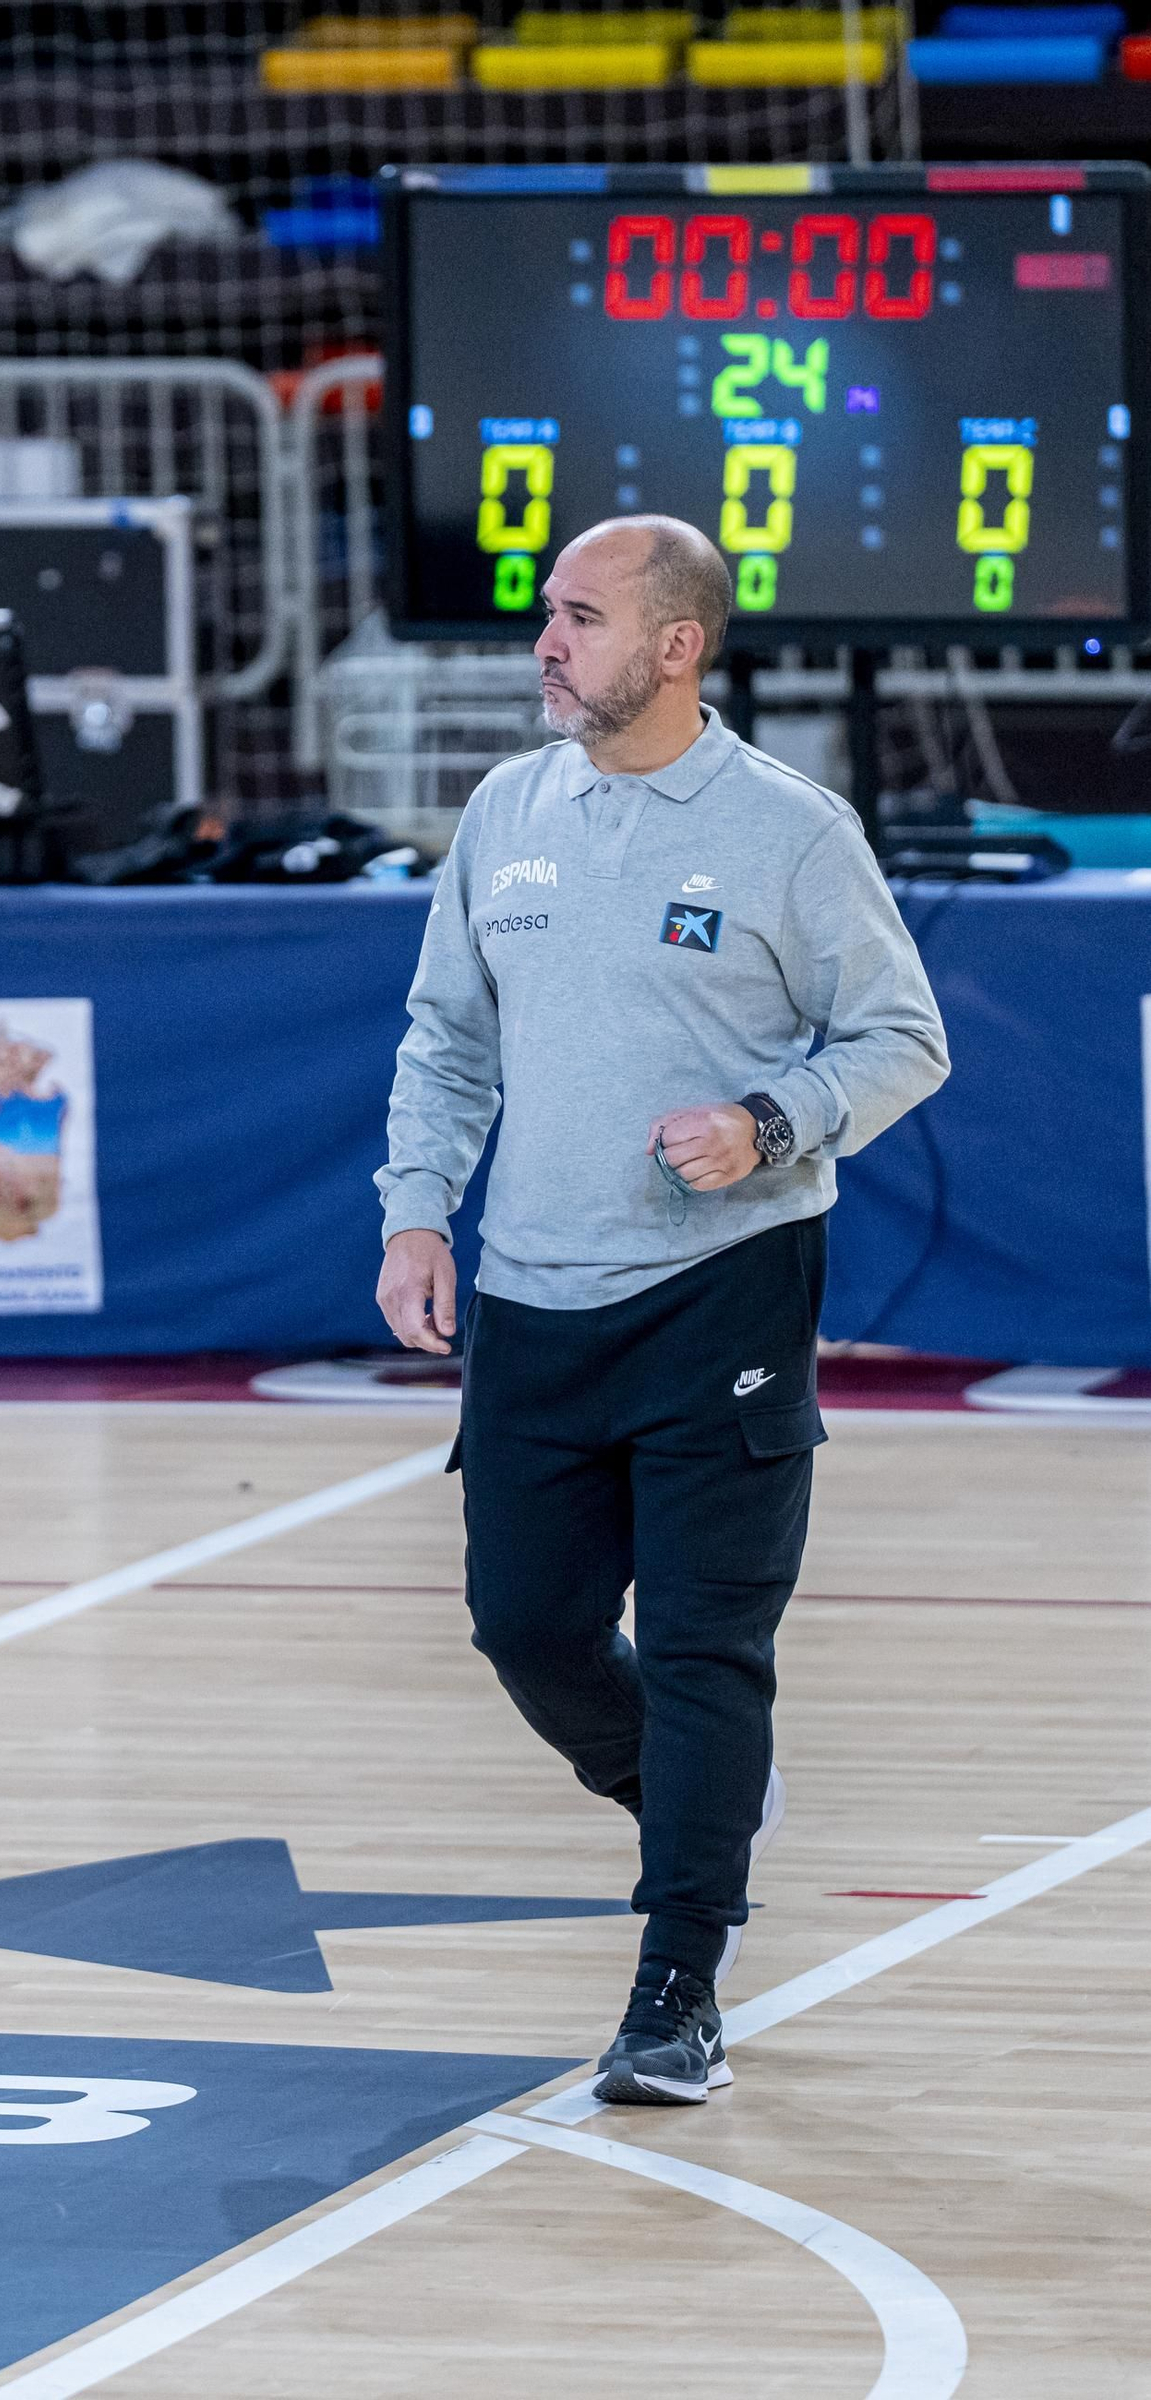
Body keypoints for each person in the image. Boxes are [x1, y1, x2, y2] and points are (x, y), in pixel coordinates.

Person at [375, 515, 948, 2107]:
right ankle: (707, 1799)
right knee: (527, 1626)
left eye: (579, 617)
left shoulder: (788, 829)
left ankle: (677, 1980)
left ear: (676, 645)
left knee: (707, 1650)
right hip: (529, 1297)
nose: (545, 645)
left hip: (727, 1295)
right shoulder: (507, 812)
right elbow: (446, 1041)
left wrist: (769, 1124)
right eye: (547, 617)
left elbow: (903, 1039)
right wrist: (416, 1212)